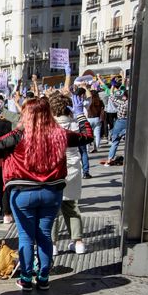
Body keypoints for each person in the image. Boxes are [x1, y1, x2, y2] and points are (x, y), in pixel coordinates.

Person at [0, 96, 93, 291]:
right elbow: (87, 137)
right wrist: (80, 115)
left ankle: (26, 278)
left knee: (26, 237)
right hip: (51, 191)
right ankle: (43, 278)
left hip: (22, 192)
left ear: (26, 114)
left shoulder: (18, 135)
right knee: (44, 235)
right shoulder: (60, 134)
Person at [49, 93, 88, 255]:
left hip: (53, 169)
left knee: (53, 209)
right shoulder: (74, 124)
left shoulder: (49, 127)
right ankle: (78, 242)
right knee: (72, 206)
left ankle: (52, 244)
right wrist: (80, 114)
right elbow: (88, 136)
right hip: (72, 167)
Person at [103, 88, 129, 166]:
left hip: (120, 122)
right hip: (129, 122)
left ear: (125, 96)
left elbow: (113, 99)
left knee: (115, 142)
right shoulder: (132, 104)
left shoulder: (122, 103)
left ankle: (109, 159)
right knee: (128, 142)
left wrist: (111, 92)